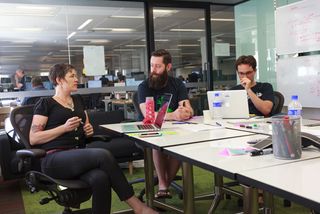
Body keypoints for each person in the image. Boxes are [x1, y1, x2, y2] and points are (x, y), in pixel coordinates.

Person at [29, 63, 157, 214]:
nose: (77, 79)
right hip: (54, 159)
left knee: (100, 177)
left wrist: (88, 131)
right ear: (59, 80)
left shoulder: (77, 100)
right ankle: (138, 207)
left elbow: (87, 128)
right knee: (102, 154)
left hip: (77, 156)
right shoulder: (46, 103)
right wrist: (64, 128)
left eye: (76, 76)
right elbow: (33, 138)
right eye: (72, 76)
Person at [137, 49, 194, 199]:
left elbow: (187, 106)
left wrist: (187, 111)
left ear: (168, 67)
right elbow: (148, 115)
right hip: (147, 131)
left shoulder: (177, 84)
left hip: (174, 130)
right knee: (157, 143)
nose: (153, 70)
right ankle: (163, 184)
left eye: (158, 66)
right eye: (151, 66)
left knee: (181, 144)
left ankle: (165, 184)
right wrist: (174, 115)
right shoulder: (144, 86)